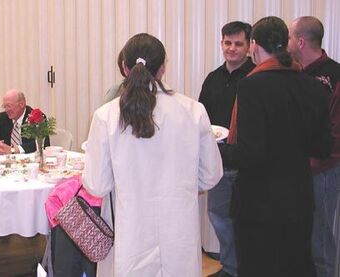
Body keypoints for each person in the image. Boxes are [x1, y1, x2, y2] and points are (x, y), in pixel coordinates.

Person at [83, 33, 223, 276]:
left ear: (125, 68)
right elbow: (211, 175)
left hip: (131, 235)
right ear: (163, 68)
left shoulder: (106, 115)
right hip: (179, 233)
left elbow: (96, 185)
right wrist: (183, 184)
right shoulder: (193, 111)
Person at [219, 16, 333, 277]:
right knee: (298, 267)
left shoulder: (251, 86)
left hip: (259, 205)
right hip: (300, 200)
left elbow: (250, 154)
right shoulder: (313, 87)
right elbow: (323, 148)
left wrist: (216, 150)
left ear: (254, 46)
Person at [199, 21, 255, 277]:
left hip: (249, 165)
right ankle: (232, 268)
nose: (232, 49)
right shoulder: (213, 78)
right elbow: (201, 120)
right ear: (221, 43)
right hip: (219, 162)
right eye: (227, 43)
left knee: (249, 223)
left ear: (249, 46)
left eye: (238, 44)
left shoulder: (257, 78)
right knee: (219, 217)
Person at [288, 16, 340, 277]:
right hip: (294, 169)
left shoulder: (335, 75)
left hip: (323, 171)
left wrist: (313, 163)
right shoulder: (293, 73)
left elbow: (336, 133)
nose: (285, 43)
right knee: (298, 236)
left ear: (300, 41)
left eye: (288, 37)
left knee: (320, 237)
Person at [0, 89, 50, 154]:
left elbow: (41, 143)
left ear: (22, 104)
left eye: (8, 106)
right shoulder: (4, 118)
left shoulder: (36, 117)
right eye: (4, 106)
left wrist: (13, 150)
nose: (6, 110)